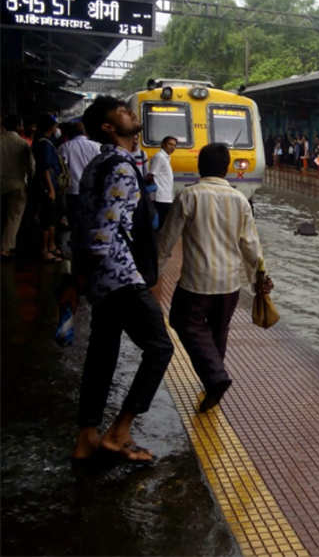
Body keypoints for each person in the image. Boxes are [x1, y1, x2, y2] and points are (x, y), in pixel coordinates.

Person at [71, 96, 173, 464]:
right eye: (122, 111)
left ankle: (86, 438)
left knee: (102, 354)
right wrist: (119, 271)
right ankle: (119, 433)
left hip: (101, 280)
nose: (131, 113)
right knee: (161, 348)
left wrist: (80, 278)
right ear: (108, 127)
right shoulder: (120, 168)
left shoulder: (99, 164)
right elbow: (102, 232)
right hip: (118, 275)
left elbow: (81, 223)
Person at [158, 143, 269, 412]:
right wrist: (260, 277)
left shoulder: (189, 196)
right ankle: (212, 383)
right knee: (219, 332)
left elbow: (166, 241)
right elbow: (251, 245)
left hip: (196, 282)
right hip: (230, 284)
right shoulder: (240, 200)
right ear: (227, 168)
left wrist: (155, 271)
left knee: (182, 321)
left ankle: (215, 378)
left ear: (200, 167)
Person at [32, 113, 68, 262]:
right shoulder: (45, 144)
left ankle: (51, 247)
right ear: (51, 127)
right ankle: (45, 249)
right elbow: (45, 168)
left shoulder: (45, 142)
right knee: (47, 220)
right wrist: (51, 189)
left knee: (51, 219)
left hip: (48, 186)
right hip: (48, 187)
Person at [1, 115, 34, 258]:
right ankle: (5, 248)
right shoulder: (23, 144)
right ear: (19, 126)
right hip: (17, 184)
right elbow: (31, 167)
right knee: (13, 218)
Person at [58, 121, 101, 229]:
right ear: (85, 132)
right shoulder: (97, 146)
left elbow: (62, 169)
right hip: (93, 190)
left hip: (73, 191)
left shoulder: (64, 147)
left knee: (75, 222)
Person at [149, 135, 177, 228]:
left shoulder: (166, 158)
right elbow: (151, 175)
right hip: (160, 197)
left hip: (166, 197)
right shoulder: (159, 157)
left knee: (164, 225)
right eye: (170, 144)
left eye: (174, 145)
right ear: (163, 144)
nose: (172, 147)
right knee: (161, 225)